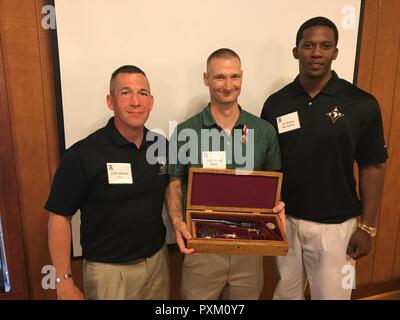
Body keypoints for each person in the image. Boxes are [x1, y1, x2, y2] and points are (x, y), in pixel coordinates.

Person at [260, 17, 387, 300]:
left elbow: (373, 166)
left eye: (325, 46)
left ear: (335, 52)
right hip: (286, 222)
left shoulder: (362, 104)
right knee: (284, 296)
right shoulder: (276, 103)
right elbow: (267, 167)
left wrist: (367, 227)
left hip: (337, 228)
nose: (316, 53)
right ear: (296, 51)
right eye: (308, 45)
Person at [167, 48, 285, 300]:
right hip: (202, 248)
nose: (228, 85)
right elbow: (174, 183)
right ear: (205, 79)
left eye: (234, 77)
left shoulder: (264, 130)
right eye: (219, 77)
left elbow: (272, 185)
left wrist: (277, 205)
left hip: (250, 248)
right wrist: (178, 222)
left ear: (242, 77)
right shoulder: (186, 131)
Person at [45, 65, 170, 300]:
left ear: (151, 102)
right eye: (125, 93)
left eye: (142, 93)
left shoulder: (160, 145)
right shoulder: (83, 154)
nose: (135, 101)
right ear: (110, 101)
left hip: (157, 264)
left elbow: (171, 190)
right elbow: (59, 217)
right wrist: (63, 281)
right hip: (108, 273)